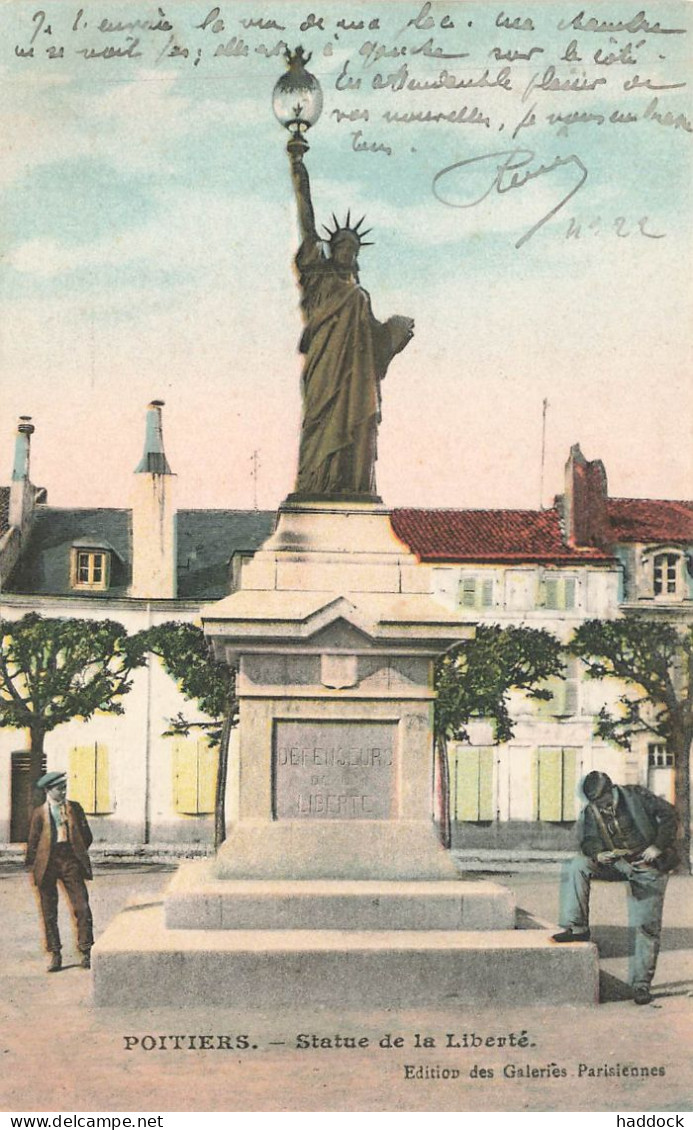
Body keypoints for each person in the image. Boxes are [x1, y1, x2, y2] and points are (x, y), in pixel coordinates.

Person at [287, 135, 414, 499]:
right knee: (319, 427)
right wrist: (299, 171)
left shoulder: (360, 295)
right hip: (325, 373)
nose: (346, 250)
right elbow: (307, 222)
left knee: (357, 433)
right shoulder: (318, 279)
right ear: (331, 248)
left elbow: (375, 344)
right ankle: (318, 484)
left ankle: (349, 486)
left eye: (352, 247)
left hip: (356, 382)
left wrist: (395, 334)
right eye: (340, 244)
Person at [552, 770, 678, 1005]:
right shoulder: (592, 810)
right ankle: (577, 928)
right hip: (619, 865)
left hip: (649, 866)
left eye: (603, 801)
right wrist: (599, 854)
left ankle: (641, 985)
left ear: (611, 791)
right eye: (596, 803)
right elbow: (588, 840)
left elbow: (670, 815)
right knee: (578, 864)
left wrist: (658, 846)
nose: (601, 807)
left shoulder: (636, 795)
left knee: (647, 927)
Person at [25, 770, 94, 973]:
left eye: (65, 787)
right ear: (48, 790)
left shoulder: (74, 808)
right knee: (49, 911)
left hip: (70, 860)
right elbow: (33, 841)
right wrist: (35, 866)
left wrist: (75, 851)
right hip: (47, 863)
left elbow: (86, 835)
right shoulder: (40, 813)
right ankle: (55, 954)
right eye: (59, 788)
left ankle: (86, 950)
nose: (63, 791)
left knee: (81, 906)